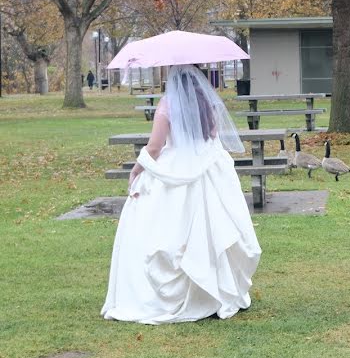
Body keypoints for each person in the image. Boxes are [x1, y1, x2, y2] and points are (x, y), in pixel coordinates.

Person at [102, 64, 260, 324]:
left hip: (175, 168)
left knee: (164, 227)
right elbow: (212, 135)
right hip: (207, 168)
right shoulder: (206, 102)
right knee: (210, 230)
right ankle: (214, 288)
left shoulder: (168, 103)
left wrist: (137, 169)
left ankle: (181, 293)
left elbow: (154, 146)